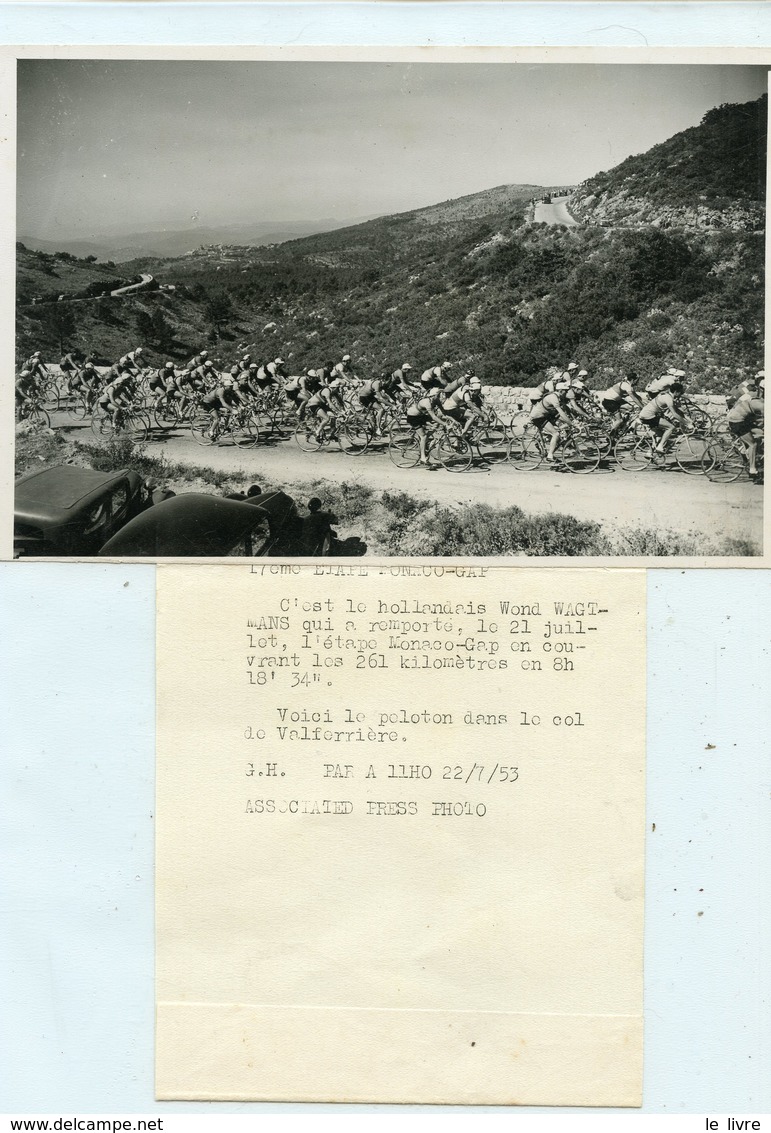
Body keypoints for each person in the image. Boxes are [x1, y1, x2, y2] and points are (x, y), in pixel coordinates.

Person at [636, 381, 691, 454]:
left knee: (660, 434)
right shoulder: (668, 399)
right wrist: (687, 424)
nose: (681, 395)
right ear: (675, 392)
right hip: (649, 416)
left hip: (646, 414)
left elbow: (678, 411)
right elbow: (674, 414)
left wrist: (689, 421)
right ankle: (660, 447)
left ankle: (650, 452)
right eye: (680, 393)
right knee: (671, 427)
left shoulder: (668, 395)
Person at [726, 378, 764, 478]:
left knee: (760, 433)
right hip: (737, 421)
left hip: (736, 418)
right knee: (753, 444)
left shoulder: (752, 394)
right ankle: (752, 470)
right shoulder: (758, 402)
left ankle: (744, 451)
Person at [528, 382, 573, 463]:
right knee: (556, 434)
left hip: (544, 416)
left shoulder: (558, 397)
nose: (566, 393)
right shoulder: (553, 398)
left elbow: (565, 409)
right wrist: (571, 423)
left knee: (559, 431)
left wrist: (573, 419)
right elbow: (561, 413)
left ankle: (546, 441)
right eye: (565, 391)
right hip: (538, 417)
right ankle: (550, 455)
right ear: (561, 390)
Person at [405, 385, 446, 465]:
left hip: (420, 415)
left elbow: (444, 412)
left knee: (436, 424)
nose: (440, 396)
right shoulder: (427, 402)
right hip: (413, 417)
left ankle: (427, 443)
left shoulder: (436, 400)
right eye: (438, 395)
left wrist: (451, 419)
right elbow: (433, 416)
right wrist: (444, 423)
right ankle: (422, 458)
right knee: (423, 436)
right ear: (433, 395)